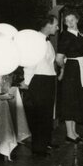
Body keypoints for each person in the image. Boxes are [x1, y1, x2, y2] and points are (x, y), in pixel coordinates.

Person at [21, 11, 58, 156]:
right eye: (55, 25)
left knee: (47, 113)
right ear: (48, 25)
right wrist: (27, 82)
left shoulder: (46, 41)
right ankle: (38, 148)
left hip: (47, 79)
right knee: (40, 114)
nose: (57, 28)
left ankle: (45, 142)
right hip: (39, 81)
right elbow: (30, 63)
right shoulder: (36, 41)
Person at [55, 8, 83, 143]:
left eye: (72, 20)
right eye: (67, 21)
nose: (70, 23)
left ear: (77, 20)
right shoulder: (65, 36)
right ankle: (69, 133)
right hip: (73, 69)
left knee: (77, 99)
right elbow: (59, 58)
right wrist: (64, 68)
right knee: (70, 100)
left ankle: (74, 132)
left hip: (81, 68)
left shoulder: (80, 34)